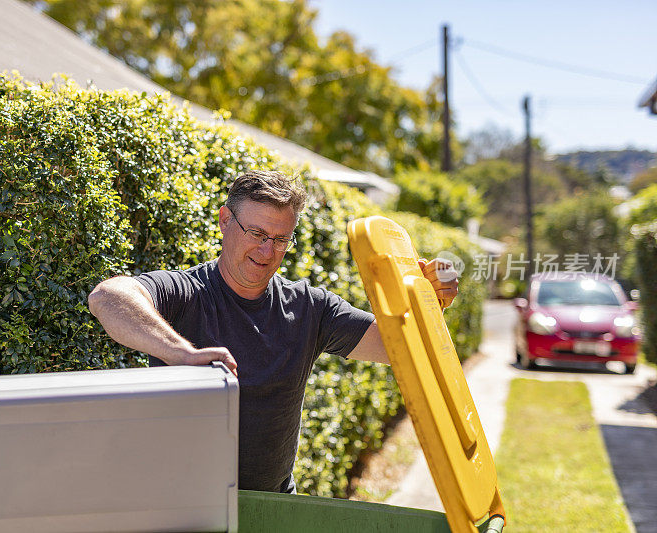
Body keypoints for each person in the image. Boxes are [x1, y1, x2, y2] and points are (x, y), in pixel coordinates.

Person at [88, 170, 458, 494]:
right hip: (182, 505)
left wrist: (428, 300)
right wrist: (182, 354)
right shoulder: (187, 293)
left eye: (281, 239)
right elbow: (108, 297)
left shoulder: (311, 308)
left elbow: (398, 347)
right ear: (224, 221)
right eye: (257, 232)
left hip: (275, 503)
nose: (267, 251)